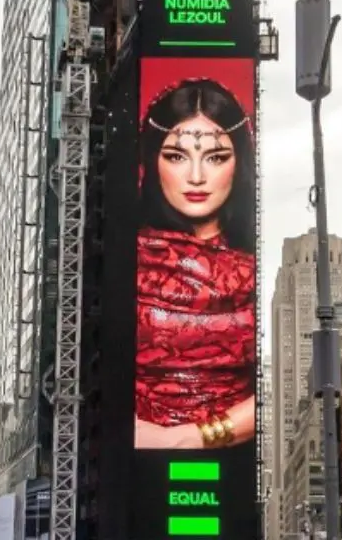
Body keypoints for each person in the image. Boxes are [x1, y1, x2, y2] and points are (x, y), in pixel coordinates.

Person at [133, 78, 257, 449]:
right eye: (176, 156)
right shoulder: (125, 256)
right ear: (152, 161)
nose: (197, 176)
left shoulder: (257, 266)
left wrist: (195, 437)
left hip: (238, 464)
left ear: (240, 163)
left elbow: (294, 381)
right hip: (134, 459)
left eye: (216, 157)